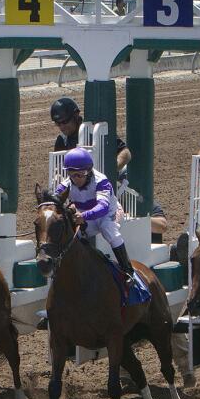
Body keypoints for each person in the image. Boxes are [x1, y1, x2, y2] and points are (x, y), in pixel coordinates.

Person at [54, 148, 147, 294]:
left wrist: (83, 216)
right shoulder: (67, 184)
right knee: (71, 236)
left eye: (81, 174)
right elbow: (54, 199)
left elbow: (102, 208)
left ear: (89, 171)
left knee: (108, 230)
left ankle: (128, 271)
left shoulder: (101, 181)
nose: (76, 179)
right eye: (72, 174)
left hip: (108, 213)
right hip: (87, 217)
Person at [50, 97, 132, 187]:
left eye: (65, 121)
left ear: (76, 116)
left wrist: (111, 171)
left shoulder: (96, 132)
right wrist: (58, 176)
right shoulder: (61, 141)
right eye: (58, 123)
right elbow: (59, 169)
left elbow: (126, 153)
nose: (62, 127)